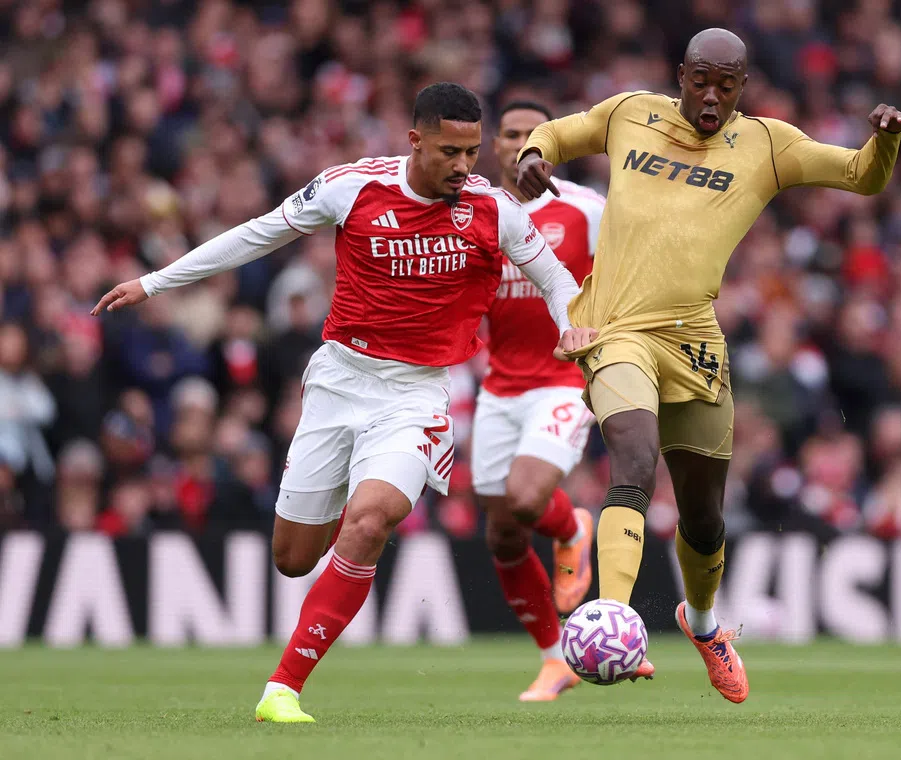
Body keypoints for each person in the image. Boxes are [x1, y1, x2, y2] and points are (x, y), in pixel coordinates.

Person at [93, 82, 594, 723]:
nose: (465, 167)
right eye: (450, 152)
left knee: (370, 520)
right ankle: (327, 565)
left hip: (416, 394)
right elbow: (257, 235)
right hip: (338, 384)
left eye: (472, 152)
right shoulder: (351, 186)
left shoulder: (494, 210)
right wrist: (155, 282)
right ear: (415, 141)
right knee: (293, 558)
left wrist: (570, 327)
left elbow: (554, 279)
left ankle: (283, 688)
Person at [516, 28, 901, 703]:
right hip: (615, 331)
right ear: (681, 74)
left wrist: (886, 141)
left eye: (726, 86)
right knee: (634, 462)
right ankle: (615, 618)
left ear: (743, 87)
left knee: (704, 520)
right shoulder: (630, 112)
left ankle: (702, 625)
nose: (711, 96)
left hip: (694, 344)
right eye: (701, 80)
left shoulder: (766, 144)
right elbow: (557, 133)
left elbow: (859, 177)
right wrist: (530, 153)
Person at [474, 101, 604, 701]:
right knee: (502, 535)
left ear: (552, 146)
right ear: (492, 145)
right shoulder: (471, 212)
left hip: (564, 378)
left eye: (535, 135)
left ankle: (572, 525)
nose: (522, 142)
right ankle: (556, 661)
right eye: (511, 134)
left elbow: (623, 283)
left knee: (527, 498)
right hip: (499, 385)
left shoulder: (586, 210)